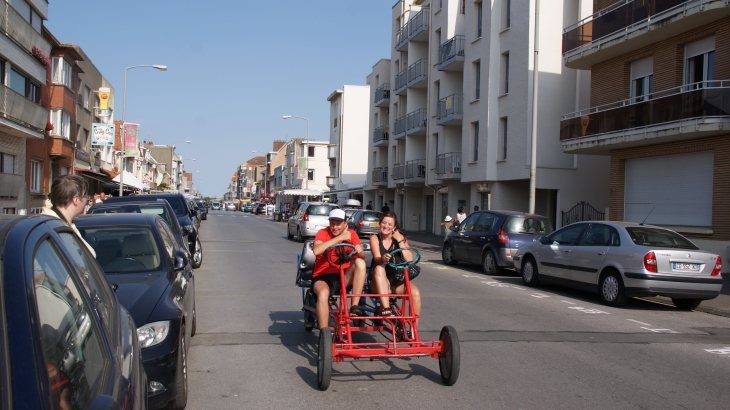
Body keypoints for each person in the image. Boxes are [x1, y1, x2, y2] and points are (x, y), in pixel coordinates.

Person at [312, 209, 367, 329]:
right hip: (323, 276)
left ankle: (354, 306)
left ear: (345, 224)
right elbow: (316, 250)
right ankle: (324, 332)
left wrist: (360, 250)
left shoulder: (351, 234)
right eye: (332, 223)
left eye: (338, 224)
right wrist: (339, 238)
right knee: (322, 293)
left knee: (360, 262)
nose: (335, 227)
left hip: (344, 277)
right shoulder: (323, 233)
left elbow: (362, 256)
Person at [370, 212, 421, 324]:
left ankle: (414, 331)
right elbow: (377, 258)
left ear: (394, 227)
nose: (386, 226)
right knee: (379, 269)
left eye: (389, 224)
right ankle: (386, 308)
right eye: (384, 223)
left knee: (415, 293)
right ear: (380, 223)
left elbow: (409, 259)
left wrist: (399, 240)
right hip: (379, 282)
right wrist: (383, 258)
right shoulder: (375, 238)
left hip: (396, 281)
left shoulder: (401, 238)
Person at [42, 175, 96, 257]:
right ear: (76, 200)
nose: (86, 200)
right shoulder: (54, 229)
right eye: (86, 196)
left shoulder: (54, 223)